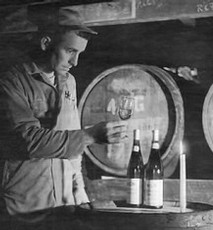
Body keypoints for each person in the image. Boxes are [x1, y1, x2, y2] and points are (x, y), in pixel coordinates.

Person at [0, 5, 128, 229]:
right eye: (70, 51)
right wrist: (89, 136)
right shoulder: (12, 82)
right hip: (24, 208)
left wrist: (80, 193)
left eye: (80, 54)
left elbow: (72, 143)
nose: (75, 62)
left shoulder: (69, 81)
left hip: (63, 205)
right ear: (45, 43)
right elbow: (29, 141)